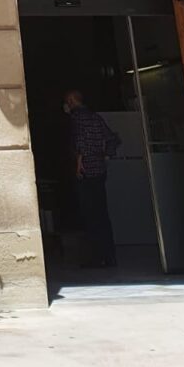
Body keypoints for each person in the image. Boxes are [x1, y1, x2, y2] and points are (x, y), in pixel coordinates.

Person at [63, 88, 120, 268]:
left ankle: (96, 257)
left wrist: (79, 163)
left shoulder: (76, 119)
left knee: (89, 215)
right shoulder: (96, 118)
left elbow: (79, 142)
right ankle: (109, 256)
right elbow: (113, 139)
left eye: (67, 102)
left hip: (86, 171)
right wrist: (106, 156)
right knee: (102, 213)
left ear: (72, 101)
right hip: (99, 170)